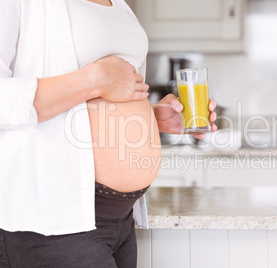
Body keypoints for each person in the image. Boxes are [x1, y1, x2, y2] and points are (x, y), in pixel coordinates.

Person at [0, 0, 217, 267]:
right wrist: (93, 79)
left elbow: (112, 96)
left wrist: (150, 117)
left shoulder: (120, 5)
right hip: (55, 220)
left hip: (121, 220)